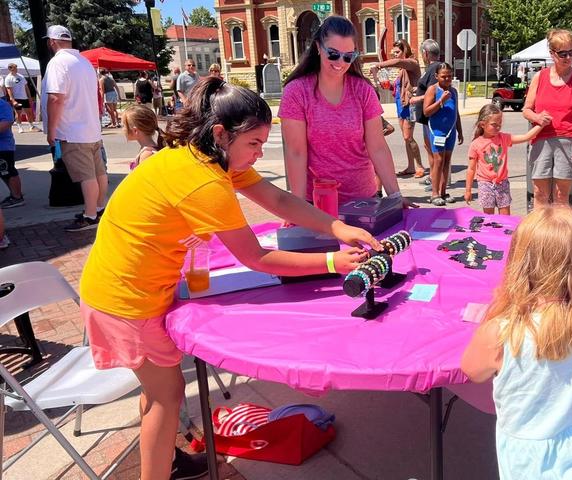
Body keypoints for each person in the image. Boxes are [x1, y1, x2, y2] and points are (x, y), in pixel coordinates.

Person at [79, 76, 381, 480]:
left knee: (157, 393)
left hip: (125, 290)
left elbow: (276, 198)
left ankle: (167, 458)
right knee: (166, 399)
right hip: (125, 300)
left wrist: (337, 226)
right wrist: (332, 262)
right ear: (221, 134)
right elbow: (256, 257)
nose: (258, 154)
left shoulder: (205, 156)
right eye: (254, 144)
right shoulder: (205, 181)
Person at [461, 206, 572, 480]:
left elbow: (471, 369)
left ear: (519, 263)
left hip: (537, 468)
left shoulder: (501, 332)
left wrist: (499, 308)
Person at [279, 16, 409, 207]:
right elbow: (296, 152)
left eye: (348, 56)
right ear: (318, 47)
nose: (340, 62)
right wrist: (298, 208)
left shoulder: (362, 90)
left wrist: (395, 196)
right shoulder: (297, 92)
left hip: (364, 200)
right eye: (333, 53)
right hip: (317, 202)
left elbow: (378, 147)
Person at [41, 25, 107, 232]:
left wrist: (51, 131)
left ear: (52, 42)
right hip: (91, 128)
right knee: (98, 173)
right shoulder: (84, 62)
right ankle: (98, 207)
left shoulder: (58, 63)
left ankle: (90, 216)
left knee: (86, 176)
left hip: (72, 130)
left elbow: (55, 98)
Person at [522, 29, 572, 207]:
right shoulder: (540, 76)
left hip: (569, 140)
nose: (568, 57)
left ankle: (560, 234)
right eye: (563, 53)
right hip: (541, 139)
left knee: (562, 196)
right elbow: (526, 110)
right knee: (539, 193)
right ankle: (539, 232)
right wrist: (537, 117)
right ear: (552, 54)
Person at [465, 104, 542, 215]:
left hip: (502, 183)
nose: (498, 127)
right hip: (485, 184)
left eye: (500, 124)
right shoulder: (475, 144)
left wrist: (541, 125)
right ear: (482, 124)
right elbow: (471, 169)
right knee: (488, 218)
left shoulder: (503, 138)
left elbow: (526, 137)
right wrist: (468, 190)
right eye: (494, 124)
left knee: (505, 217)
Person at [370, 39, 424, 178]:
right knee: (406, 138)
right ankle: (411, 166)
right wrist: (389, 87)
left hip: (410, 105)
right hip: (401, 105)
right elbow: (397, 87)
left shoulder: (412, 63)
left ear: (405, 50)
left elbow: (396, 62)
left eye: (397, 52)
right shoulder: (402, 71)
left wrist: (379, 65)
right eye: (393, 52)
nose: (395, 55)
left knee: (408, 136)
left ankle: (419, 166)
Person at [423, 62, 463, 206]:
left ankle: (443, 191)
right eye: (443, 76)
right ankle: (434, 194)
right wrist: (441, 101)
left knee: (447, 161)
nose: (447, 79)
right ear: (436, 76)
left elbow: (456, 112)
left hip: (450, 131)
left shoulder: (454, 91)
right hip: (437, 131)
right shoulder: (432, 90)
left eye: (449, 76)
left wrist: (460, 130)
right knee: (438, 161)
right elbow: (426, 111)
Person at [412, 39, 443, 191]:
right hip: (428, 118)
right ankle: (432, 176)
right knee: (429, 148)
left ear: (425, 53)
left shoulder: (434, 69)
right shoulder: (434, 68)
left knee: (433, 151)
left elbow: (435, 92)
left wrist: (415, 98)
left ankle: (435, 180)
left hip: (432, 117)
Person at [122, 105, 163, 170]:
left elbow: (145, 179)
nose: (123, 129)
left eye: (124, 126)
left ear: (135, 131)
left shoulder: (147, 155)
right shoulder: (147, 149)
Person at [0, 95, 22, 209]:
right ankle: (14, 194)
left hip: (4, 146)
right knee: (3, 172)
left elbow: (8, 121)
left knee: (8, 171)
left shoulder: (2, 104)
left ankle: (17, 197)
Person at [4, 63, 39, 133]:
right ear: (10, 69)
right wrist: (13, 100)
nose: (16, 69)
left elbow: (26, 87)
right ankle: (20, 127)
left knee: (29, 112)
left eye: (16, 68)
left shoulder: (21, 76)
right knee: (18, 113)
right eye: (14, 68)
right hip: (17, 98)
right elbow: (9, 90)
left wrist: (29, 98)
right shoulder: (8, 78)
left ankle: (31, 126)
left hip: (25, 98)